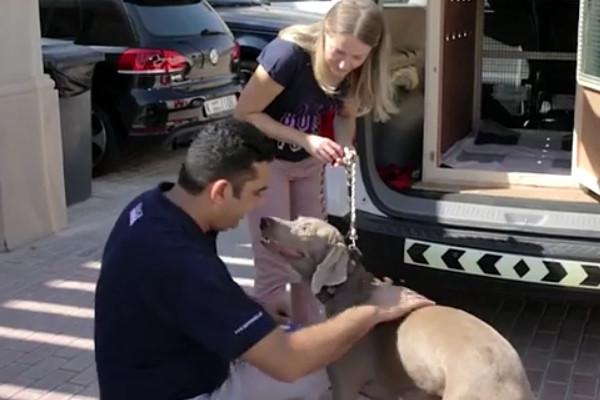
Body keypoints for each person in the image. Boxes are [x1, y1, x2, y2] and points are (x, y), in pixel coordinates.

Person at [93, 119, 433, 400]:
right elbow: (289, 361)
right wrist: (371, 313)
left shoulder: (152, 208)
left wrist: (252, 307)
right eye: (257, 193)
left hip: (156, 374)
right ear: (221, 191)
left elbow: (182, 299)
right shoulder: (180, 261)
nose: (258, 206)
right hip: (181, 392)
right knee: (329, 372)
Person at [234, 0, 399, 327]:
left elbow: (345, 115)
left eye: (357, 57)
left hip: (307, 164)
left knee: (312, 253)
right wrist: (305, 139)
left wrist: (342, 144)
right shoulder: (287, 56)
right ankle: (268, 346)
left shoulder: (356, 71)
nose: (344, 65)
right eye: (339, 52)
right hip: (266, 162)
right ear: (324, 33)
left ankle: (309, 335)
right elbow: (245, 113)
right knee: (272, 255)